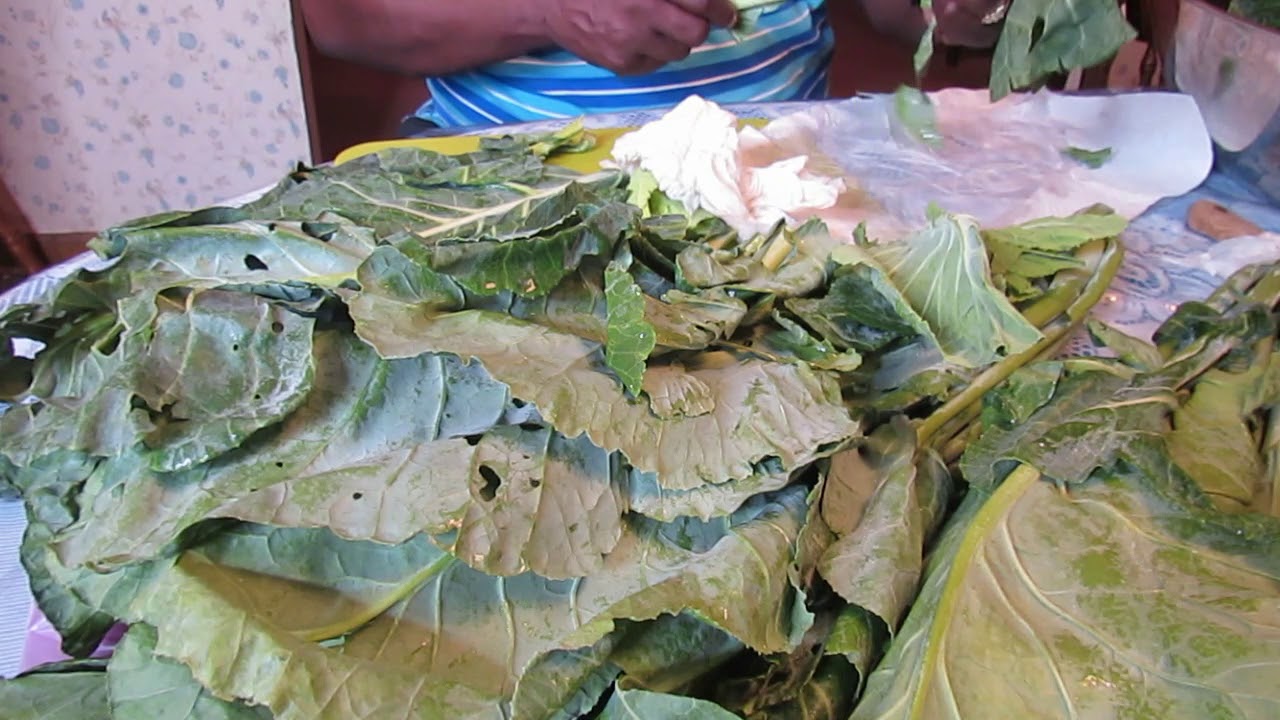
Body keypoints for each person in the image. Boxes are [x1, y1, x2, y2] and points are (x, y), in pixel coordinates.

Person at [297, 0, 1007, 132]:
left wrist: (965, 12)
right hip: (521, 166)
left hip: (781, 159)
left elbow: (897, 13)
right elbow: (344, 18)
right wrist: (545, 13)